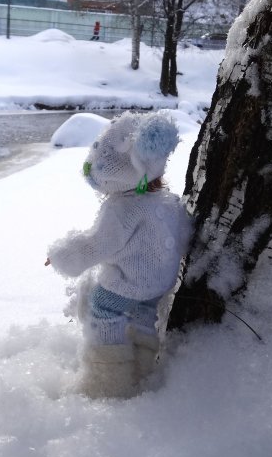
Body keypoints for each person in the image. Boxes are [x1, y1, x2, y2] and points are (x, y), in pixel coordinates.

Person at [45, 111, 192, 399]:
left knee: (103, 307)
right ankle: (142, 368)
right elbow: (184, 234)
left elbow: (99, 244)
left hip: (131, 281)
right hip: (159, 282)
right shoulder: (167, 202)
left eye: (100, 164)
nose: (90, 169)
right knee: (142, 314)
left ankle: (108, 382)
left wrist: (62, 255)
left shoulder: (122, 208)